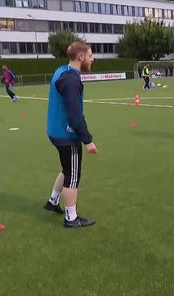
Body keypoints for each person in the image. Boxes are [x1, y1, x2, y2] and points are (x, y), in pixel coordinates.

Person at [43, 41, 98, 228]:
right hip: (66, 135)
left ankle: (52, 201)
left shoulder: (61, 71)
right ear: (80, 57)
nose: (92, 59)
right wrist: (88, 140)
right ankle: (71, 218)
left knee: (68, 170)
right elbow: (75, 115)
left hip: (55, 131)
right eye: (90, 56)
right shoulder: (72, 80)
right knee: (73, 176)